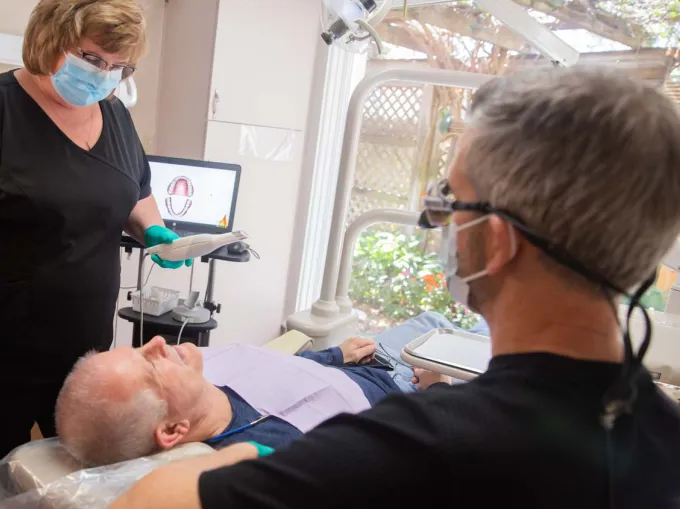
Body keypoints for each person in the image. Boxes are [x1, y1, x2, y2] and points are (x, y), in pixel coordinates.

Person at [109, 67, 680, 509]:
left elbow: (147, 502)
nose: (440, 225)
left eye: (449, 203)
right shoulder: (664, 435)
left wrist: (231, 458)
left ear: (500, 241)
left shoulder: (421, 449)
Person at [0, 1, 191, 507]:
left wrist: (155, 231)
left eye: (119, 67)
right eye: (93, 58)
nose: (105, 76)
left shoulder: (115, 114)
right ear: (49, 40)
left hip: (80, 348)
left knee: (74, 478)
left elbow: (133, 188)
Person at [55, 335, 404, 467]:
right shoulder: (270, 452)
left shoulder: (198, 369)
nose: (157, 342)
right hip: (405, 395)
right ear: (173, 430)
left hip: (360, 357)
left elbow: (272, 366)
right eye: (150, 364)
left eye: (137, 348)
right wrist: (436, 392)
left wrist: (334, 354)